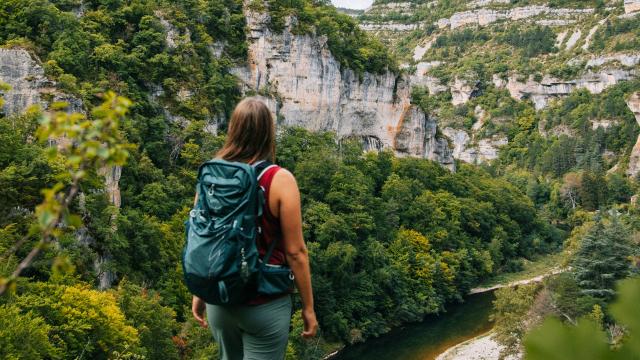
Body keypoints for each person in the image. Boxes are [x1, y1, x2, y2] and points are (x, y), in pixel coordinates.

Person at [191, 97, 318, 360]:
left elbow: (203, 236)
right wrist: (308, 309)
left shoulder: (211, 176)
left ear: (233, 128)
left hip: (220, 298)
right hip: (265, 302)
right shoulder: (280, 180)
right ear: (268, 133)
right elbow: (296, 253)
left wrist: (200, 293)